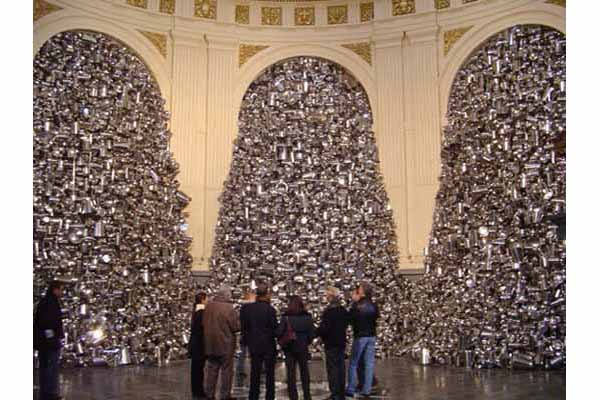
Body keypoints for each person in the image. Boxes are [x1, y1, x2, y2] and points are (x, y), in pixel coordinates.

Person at [240, 283, 278, 400]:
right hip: (268, 345)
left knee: (255, 373)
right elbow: (274, 327)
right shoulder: (270, 310)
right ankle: (269, 396)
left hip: (254, 345)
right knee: (269, 375)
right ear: (267, 294)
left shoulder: (247, 309)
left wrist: (247, 340)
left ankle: (253, 396)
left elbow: (244, 327)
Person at [203, 285, 241, 400]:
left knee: (211, 370)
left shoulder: (208, 306)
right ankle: (225, 395)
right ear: (227, 295)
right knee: (226, 371)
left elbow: (203, 322)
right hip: (225, 344)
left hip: (210, 343)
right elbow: (236, 327)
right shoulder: (229, 308)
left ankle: (209, 394)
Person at [277, 295, 316, 400]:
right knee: (304, 371)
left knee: (291, 373)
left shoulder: (286, 317)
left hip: (289, 348)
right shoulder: (307, 317)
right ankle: (307, 395)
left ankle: (293, 396)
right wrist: (306, 341)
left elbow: (279, 332)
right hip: (303, 347)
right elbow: (312, 333)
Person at [346, 282, 379, 399]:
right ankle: (367, 389)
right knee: (369, 363)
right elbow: (376, 317)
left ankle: (351, 388)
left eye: (359, 288)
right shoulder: (374, 305)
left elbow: (350, 318)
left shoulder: (357, 305)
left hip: (360, 336)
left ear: (362, 291)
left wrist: (353, 303)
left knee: (354, 363)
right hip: (371, 335)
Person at [34, 280, 65, 400]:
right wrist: (51, 339)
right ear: (55, 289)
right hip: (48, 343)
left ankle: (46, 392)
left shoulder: (47, 301)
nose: (62, 292)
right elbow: (47, 323)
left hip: (44, 342)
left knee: (46, 367)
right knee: (50, 367)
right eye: (61, 289)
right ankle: (49, 393)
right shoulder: (50, 303)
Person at [316, 287, 349, 400]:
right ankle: (341, 391)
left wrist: (317, 334)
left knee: (332, 368)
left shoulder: (329, 312)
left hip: (331, 342)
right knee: (340, 367)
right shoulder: (343, 311)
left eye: (327, 296)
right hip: (341, 341)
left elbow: (325, 328)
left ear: (330, 297)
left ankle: (335, 393)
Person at [189, 292, 208, 400]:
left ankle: (196, 390)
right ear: (202, 300)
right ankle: (198, 391)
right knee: (198, 369)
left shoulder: (195, 311)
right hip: (199, 344)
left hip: (195, 343)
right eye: (206, 299)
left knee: (196, 368)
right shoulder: (201, 312)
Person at [236, 288, 256, 387]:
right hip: (252, 334)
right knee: (253, 353)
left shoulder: (243, 308)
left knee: (242, 354)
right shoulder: (253, 308)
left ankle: (240, 370)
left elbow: (241, 321)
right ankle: (256, 369)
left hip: (245, 334)